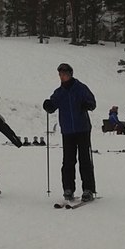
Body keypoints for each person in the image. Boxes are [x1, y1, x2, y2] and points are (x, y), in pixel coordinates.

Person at [43, 63, 96, 201]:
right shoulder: (59, 92)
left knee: (84, 159)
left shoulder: (80, 88)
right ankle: (68, 189)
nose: (62, 76)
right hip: (67, 131)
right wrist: (48, 105)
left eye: (65, 74)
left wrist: (88, 105)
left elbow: (92, 102)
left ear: (70, 74)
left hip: (83, 128)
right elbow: (52, 106)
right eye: (60, 74)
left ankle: (88, 189)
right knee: (68, 160)